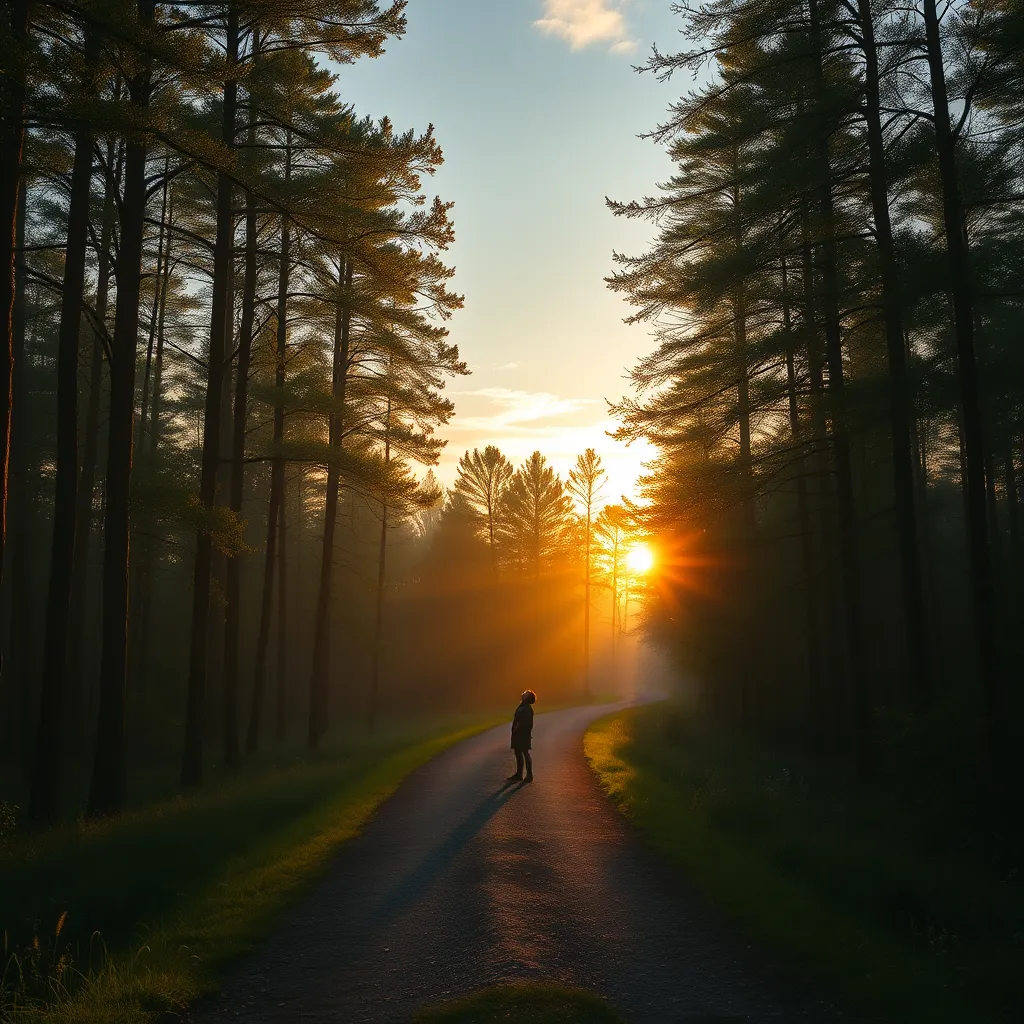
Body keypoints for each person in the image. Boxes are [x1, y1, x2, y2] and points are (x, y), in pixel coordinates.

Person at [507, 689, 536, 783]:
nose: (523, 693)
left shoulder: (526, 708)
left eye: (525, 693)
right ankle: (519, 774)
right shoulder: (523, 706)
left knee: (525, 753)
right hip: (518, 733)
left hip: (522, 733)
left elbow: (524, 722)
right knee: (518, 753)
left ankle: (529, 775)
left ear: (527, 697)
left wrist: (516, 729)